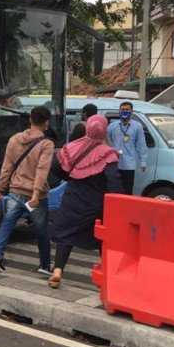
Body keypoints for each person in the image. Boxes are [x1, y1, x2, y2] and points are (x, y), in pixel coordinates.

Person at [49, 115, 122, 289]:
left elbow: (55, 167)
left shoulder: (72, 147)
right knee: (102, 239)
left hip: (72, 199)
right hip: (96, 205)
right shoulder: (108, 153)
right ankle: (105, 274)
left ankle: (58, 270)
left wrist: (71, 177)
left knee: (65, 236)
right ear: (104, 130)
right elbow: (114, 182)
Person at [0, 106, 55, 275]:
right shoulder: (46, 144)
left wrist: (1, 189)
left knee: (7, 222)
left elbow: (6, 166)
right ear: (46, 123)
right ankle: (45, 265)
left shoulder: (14, 139)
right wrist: (35, 194)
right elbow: (42, 171)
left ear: (30, 120)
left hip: (15, 190)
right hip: (36, 196)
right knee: (41, 230)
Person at [107, 101, 147, 195]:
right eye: (123, 109)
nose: (125, 111)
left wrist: (143, 161)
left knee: (127, 192)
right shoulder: (112, 127)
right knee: (114, 191)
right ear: (119, 111)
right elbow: (107, 143)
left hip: (129, 165)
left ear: (131, 112)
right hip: (114, 164)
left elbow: (141, 144)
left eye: (127, 110)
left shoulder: (137, 126)